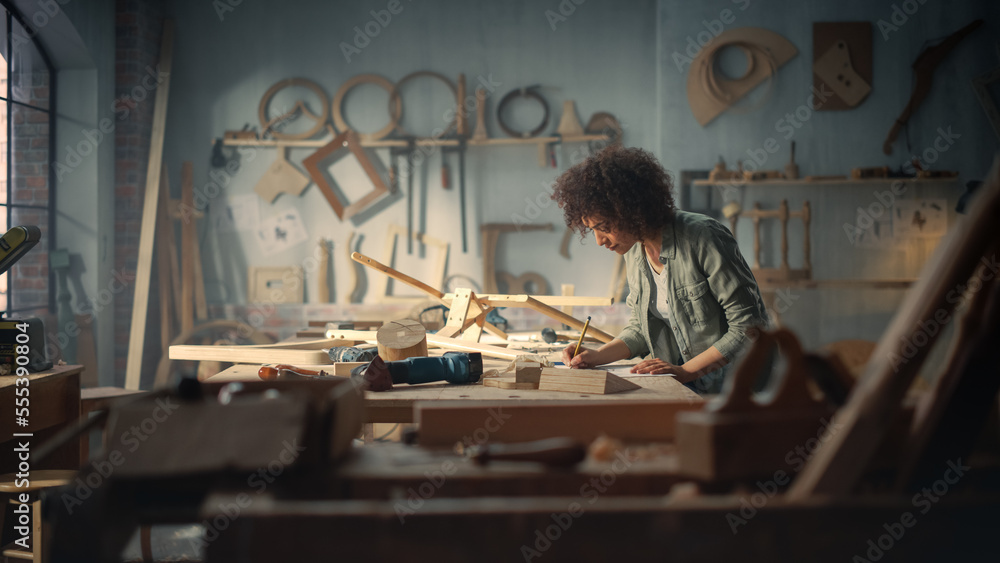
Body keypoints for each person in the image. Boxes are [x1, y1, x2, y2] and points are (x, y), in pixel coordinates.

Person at [552, 145, 768, 393]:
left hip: (738, 390)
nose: (600, 241)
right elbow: (641, 328)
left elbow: (749, 327)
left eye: (604, 226)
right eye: (593, 230)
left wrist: (685, 372)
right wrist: (596, 356)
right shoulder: (634, 250)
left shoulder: (703, 236)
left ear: (631, 209)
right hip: (688, 386)